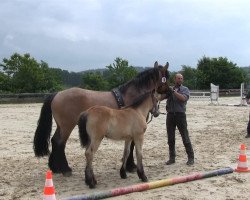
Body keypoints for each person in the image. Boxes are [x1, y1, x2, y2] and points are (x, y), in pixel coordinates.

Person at [163, 73, 194, 165]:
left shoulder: (185, 89)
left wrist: (173, 92)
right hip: (170, 115)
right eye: (178, 78)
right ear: (175, 79)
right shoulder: (170, 89)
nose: (180, 80)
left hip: (180, 115)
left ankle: (191, 158)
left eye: (181, 78)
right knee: (170, 138)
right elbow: (162, 97)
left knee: (185, 137)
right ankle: (172, 158)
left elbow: (183, 99)